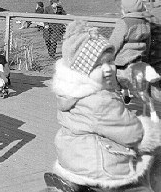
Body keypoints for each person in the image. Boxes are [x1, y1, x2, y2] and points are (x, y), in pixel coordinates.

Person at [49, 20, 161, 191]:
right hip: (100, 165)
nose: (108, 68)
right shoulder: (100, 101)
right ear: (83, 72)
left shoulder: (70, 94)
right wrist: (152, 131)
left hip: (71, 156)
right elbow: (132, 132)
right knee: (147, 174)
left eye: (110, 61)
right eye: (98, 65)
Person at [109, 0, 152, 103]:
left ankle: (119, 93)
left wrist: (108, 55)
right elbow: (148, 41)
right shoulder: (146, 23)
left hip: (123, 60)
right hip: (139, 59)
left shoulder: (124, 22)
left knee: (111, 75)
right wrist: (145, 56)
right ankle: (127, 93)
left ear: (126, 9)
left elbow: (115, 42)